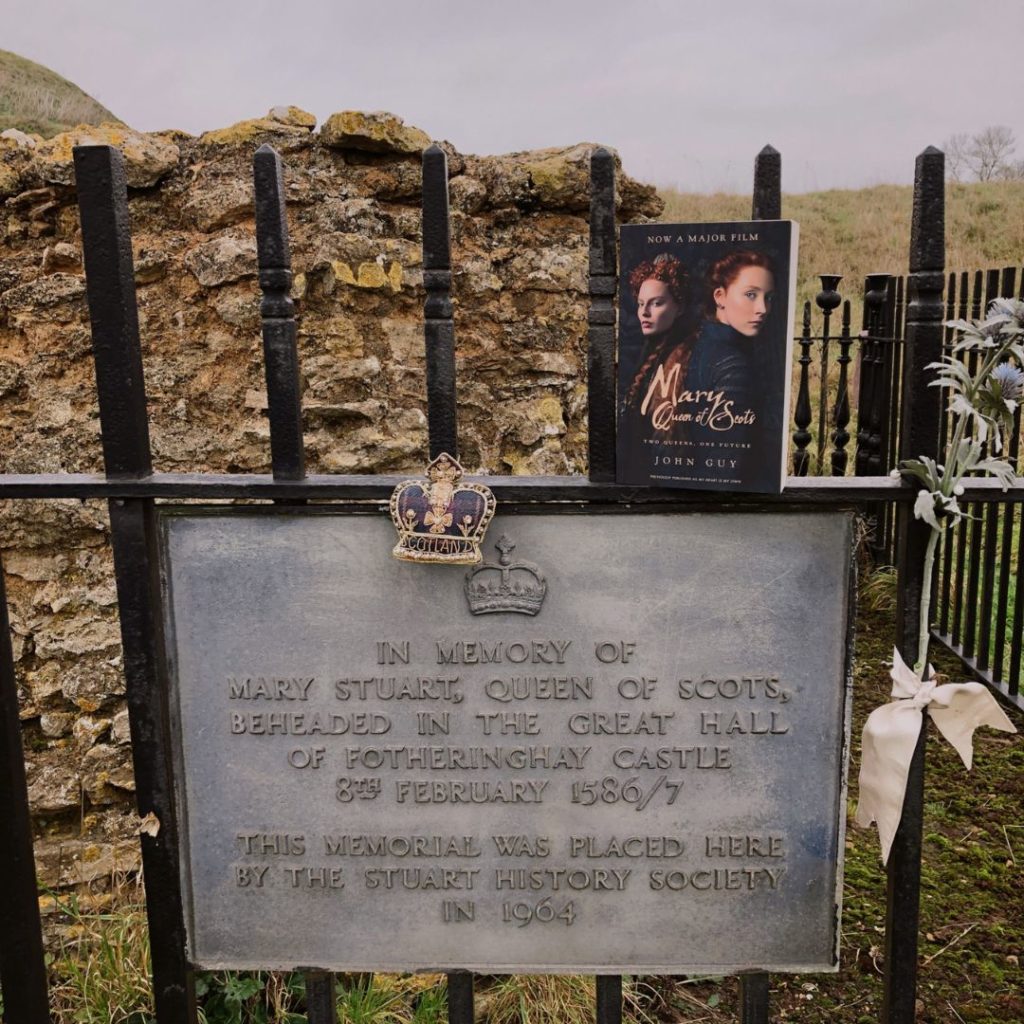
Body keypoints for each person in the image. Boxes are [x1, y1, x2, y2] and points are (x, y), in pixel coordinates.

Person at [619, 253, 693, 439]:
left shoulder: (686, 356)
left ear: (680, 307)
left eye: (657, 303)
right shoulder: (649, 352)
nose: (644, 312)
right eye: (641, 304)